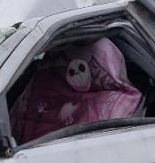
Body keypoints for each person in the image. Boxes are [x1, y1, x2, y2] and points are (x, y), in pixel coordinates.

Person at [11, 37, 142, 144]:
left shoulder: (117, 101)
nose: (77, 75)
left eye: (81, 68)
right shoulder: (42, 88)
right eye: (72, 71)